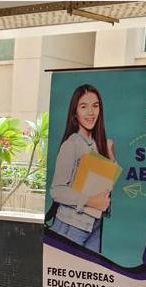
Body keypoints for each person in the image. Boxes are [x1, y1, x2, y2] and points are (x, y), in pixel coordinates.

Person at [48, 83, 116, 252]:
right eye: (83, 106)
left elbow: (105, 186)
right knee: (64, 268)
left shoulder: (99, 144)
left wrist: (110, 155)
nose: (90, 112)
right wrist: (91, 201)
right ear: (75, 113)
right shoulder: (71, 145)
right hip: (70, 225)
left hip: (94, 225)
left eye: (95, 106)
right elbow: (57, 191)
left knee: (90, 270)